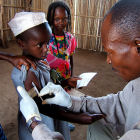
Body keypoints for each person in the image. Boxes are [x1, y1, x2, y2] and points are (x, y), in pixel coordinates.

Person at [37, 0, 140, 139]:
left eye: (110, 52)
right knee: (98, 126)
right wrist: (70, 102)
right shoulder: (135, 87)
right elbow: (117, 104)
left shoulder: (69, 39)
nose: (108, 60)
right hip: (57, 80)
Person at [8, 12, 104, 140]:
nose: (46, 49)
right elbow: (41, 106)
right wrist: (76, 117)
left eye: (47, 43)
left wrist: (65, 82)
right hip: (40, 124)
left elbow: (45, 93)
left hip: (52, 116)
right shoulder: (28, 71)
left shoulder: (40, 60)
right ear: (21, 43)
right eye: (40, 45)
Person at [46, 1, 76, 81]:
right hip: (50, 82)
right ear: (51, 19)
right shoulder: (46, 38)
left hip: (66, 79)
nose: (61, 22)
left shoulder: (70, 38)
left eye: (65, 19)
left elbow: (70, 59)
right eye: (57, 19)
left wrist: (71, 76)